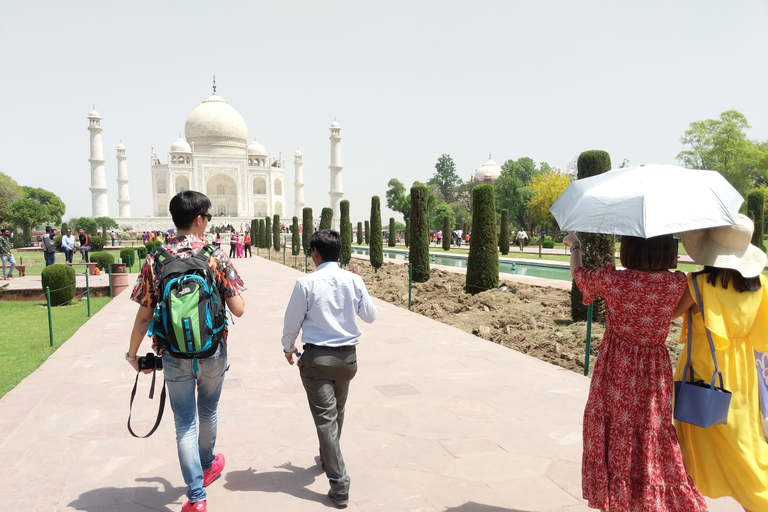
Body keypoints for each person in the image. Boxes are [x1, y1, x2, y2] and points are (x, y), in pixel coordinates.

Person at [563, 231, 706, 511]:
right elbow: (676, 312)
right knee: (652, 429)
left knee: (615, 425)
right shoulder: (679, 282)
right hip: (654, 369)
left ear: (629, 248)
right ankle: (655, 498)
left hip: (617, 367)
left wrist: (576, 246)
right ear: (668, 249)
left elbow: (579, 275)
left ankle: (619, 498)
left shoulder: (615, 280)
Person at [127, 191, 246, 512]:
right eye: (208, 218)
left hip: (173, 354)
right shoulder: (214, 256)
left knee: (184, 424)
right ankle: (207, 465)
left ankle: (196, 499)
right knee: (207, 412)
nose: (208, 224)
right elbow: (239, 309)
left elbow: (144, 313)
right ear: (199, 219)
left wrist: (132, 354)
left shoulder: (157, 258)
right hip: (212, 351)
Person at [671, 214, 768, 512]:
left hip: (704, 368)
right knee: (744, 436)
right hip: (742, 371)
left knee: (695, 428)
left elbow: (671, 314)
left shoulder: (699, 283)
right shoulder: (761, 285)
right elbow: (762, 336)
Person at [281, 229, 377, 508]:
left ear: (315, 253)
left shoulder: (306, 283)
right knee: (337, 411)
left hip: (318, 361)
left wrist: (288, 348)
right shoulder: (353, 280)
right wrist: (359, 283)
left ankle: (340, 484)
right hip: (347, 360)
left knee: (325, 418)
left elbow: (292, 323)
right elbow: (370, 316)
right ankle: (328, 456)